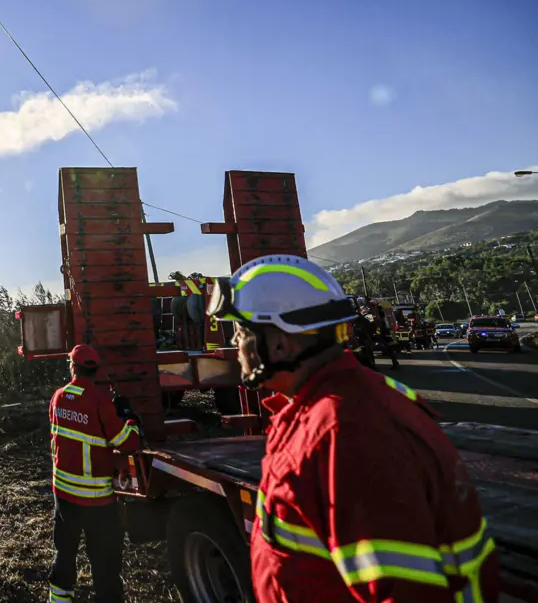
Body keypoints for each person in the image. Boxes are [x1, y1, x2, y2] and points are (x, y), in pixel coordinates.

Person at [205, 254, 499, 602]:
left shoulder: (342, 434)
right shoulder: (330, 409)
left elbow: (404, 592)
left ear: (280, 344)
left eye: (241, 332)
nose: (236, 345)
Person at [47, 344, 142, 603]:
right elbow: (128, 443)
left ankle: (59, 599)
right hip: (98, 500)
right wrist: (130, 419)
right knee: (105, 561)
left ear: (72, 368)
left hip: (64, 495)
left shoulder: (58, 397)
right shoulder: (100, 403)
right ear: (96, 370)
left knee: (64, 553)